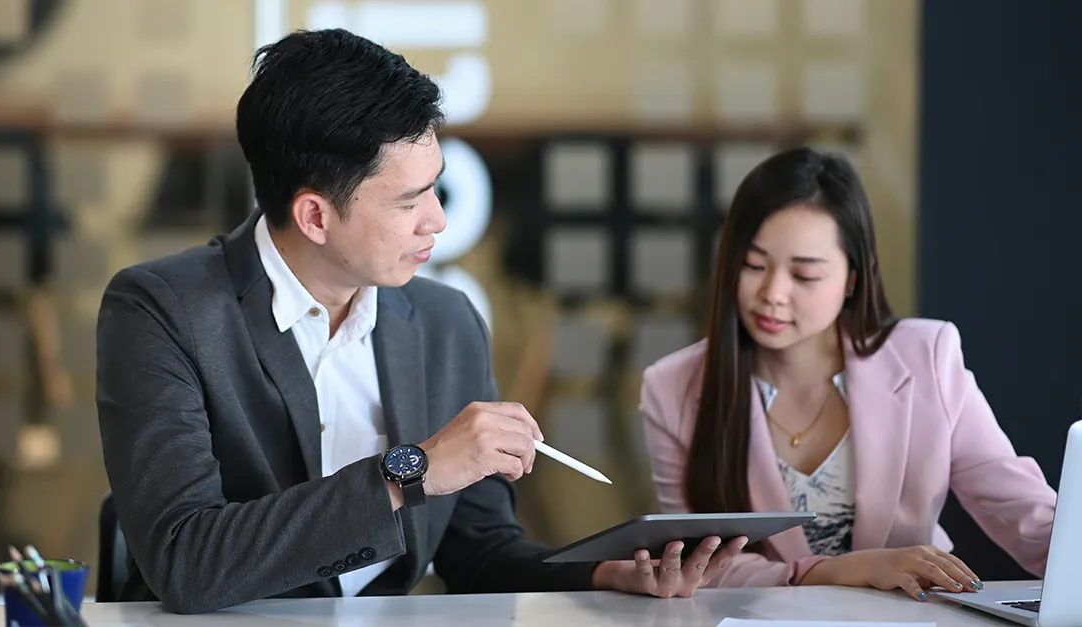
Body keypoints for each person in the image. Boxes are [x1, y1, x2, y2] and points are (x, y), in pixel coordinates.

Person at [95, 28, 744, 614]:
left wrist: (602, 573)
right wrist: (410, 472)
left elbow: (480, 554)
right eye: (410, 200)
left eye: (435, 186)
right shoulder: (162, 310)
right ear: (316, 216)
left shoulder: (444, 320)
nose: (438, 219)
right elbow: (184, 562)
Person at [638, 147, 1058, 602]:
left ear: (852, 280)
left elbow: (1023, 511)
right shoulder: (672, 387)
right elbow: (700, 566)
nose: (773, 293)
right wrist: (838, 570)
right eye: (753, 265)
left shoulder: (926, 357)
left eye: (805, 275)